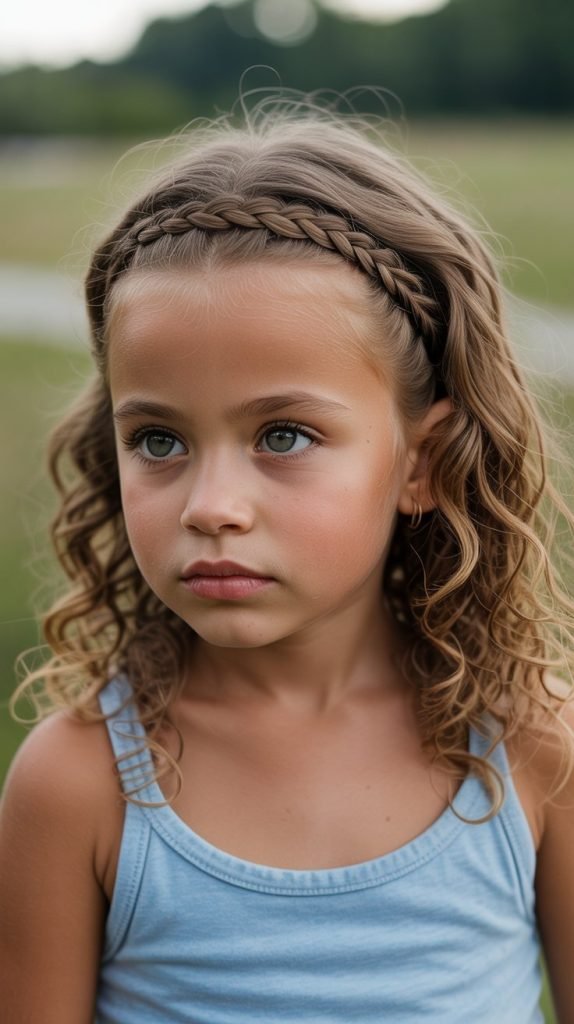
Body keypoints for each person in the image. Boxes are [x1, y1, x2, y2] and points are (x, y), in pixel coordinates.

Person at [0, 98, 573, 1024]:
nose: (210, 507)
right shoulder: (79, 783)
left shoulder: (533, 750)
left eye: (284, 434)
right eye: (157, 440)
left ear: (420, 462)